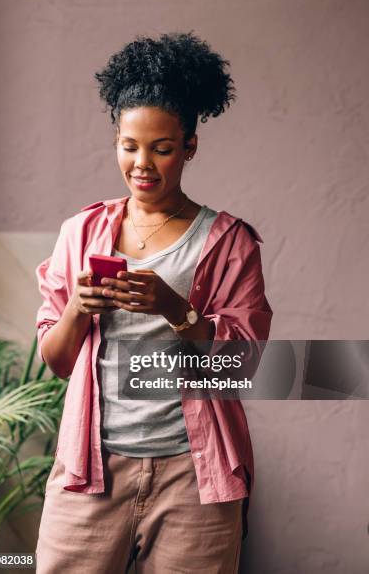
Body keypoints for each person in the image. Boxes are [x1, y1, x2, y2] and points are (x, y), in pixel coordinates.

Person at [34, 31, 273, 574]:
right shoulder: (81, 233)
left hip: (195, 476)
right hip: (91, 468)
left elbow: (247, 365)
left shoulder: (228, 241)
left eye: (162, 148)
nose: (143, 164)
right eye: (129, 145)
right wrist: (77, 309)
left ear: (190, 145)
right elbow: (56, 360)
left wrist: (176, 307)